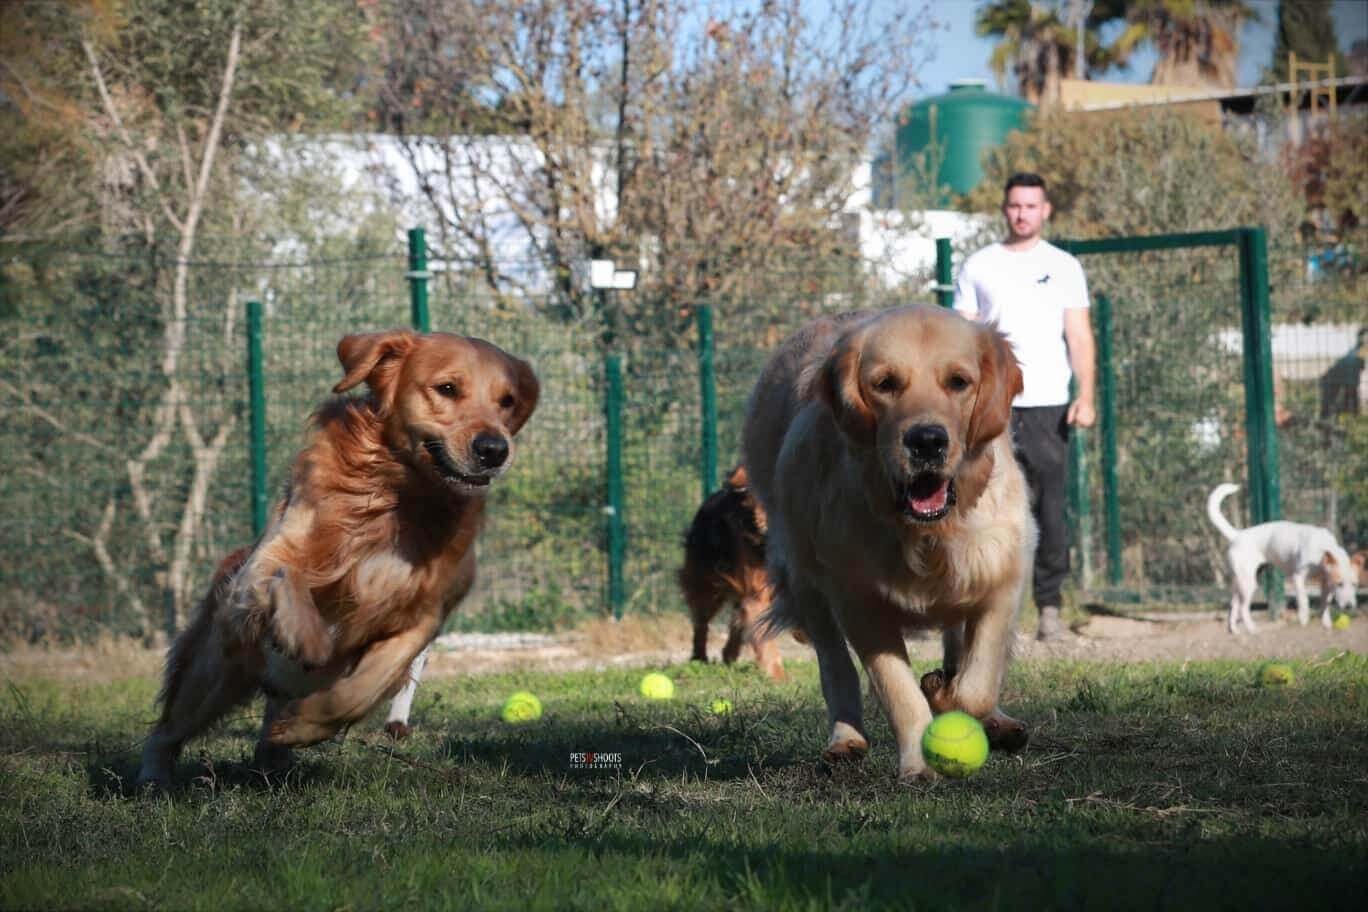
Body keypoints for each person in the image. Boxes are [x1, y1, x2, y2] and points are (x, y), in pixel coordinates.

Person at [954, 172, 1096, 641]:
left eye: (1031, 206)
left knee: (1050, 508)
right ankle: (987, 609)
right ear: (1004, 209)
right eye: (1015, 205)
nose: (1022, 214)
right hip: (992, 408)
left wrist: (1086, 395)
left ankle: (1050, 609)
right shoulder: (978, 265)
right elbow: (963, 341)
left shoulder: (1064, 266)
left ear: (1046, 210)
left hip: (1048, 405)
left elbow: (1078, 335)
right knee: (981, 505)